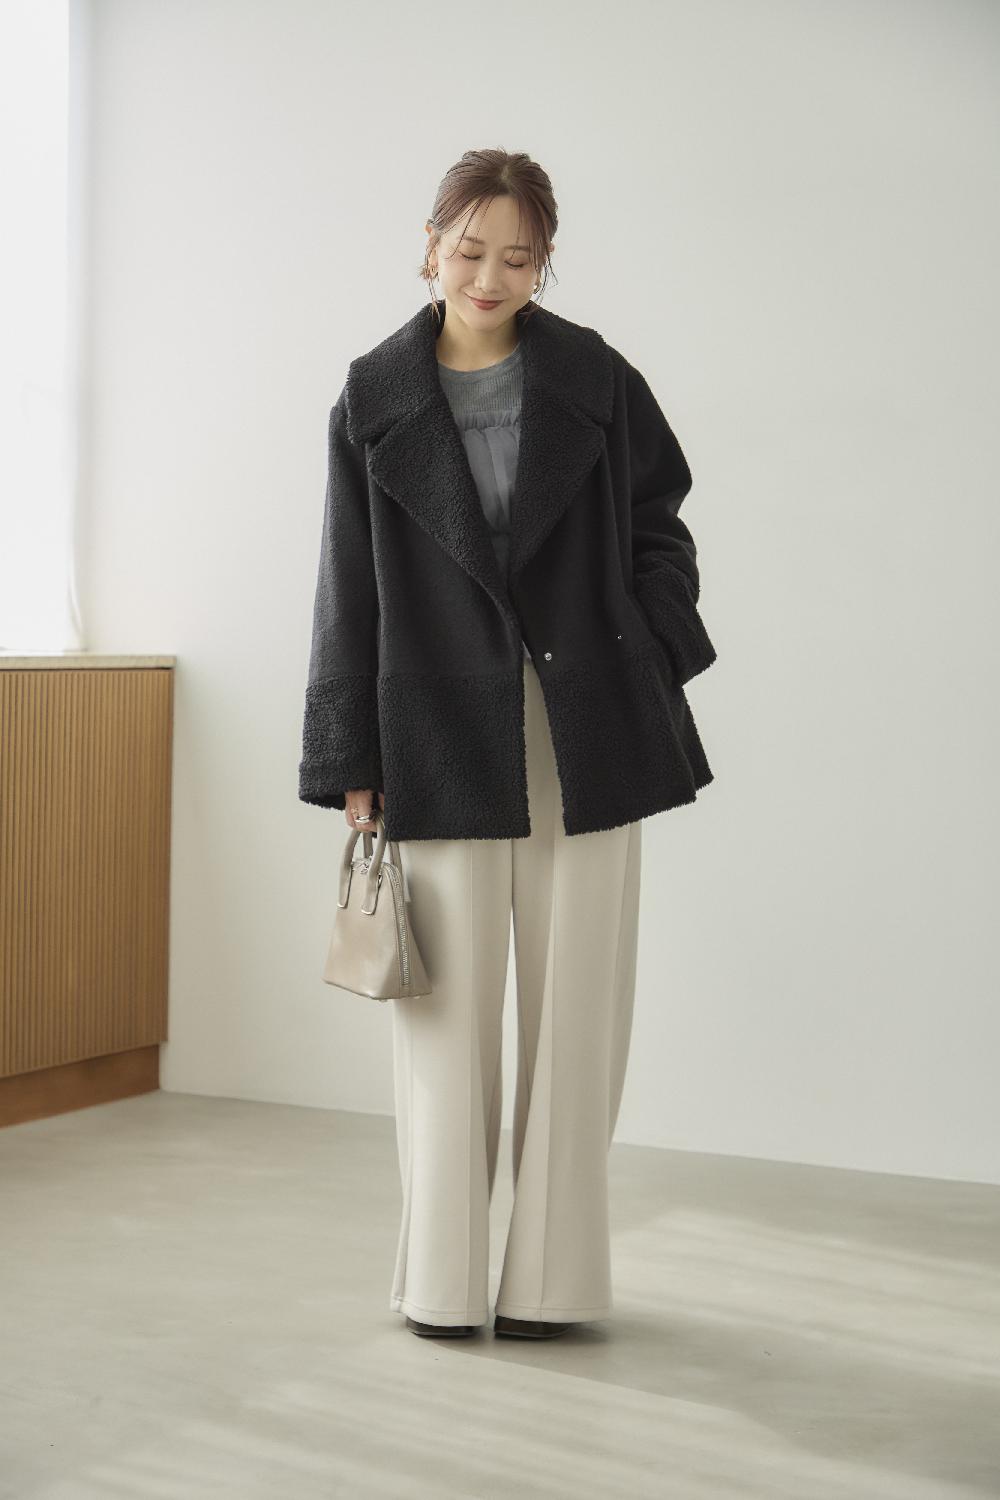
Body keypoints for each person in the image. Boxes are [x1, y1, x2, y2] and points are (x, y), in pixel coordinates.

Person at [298, 148, 718, 1341]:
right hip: (435, 729)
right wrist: (351, 761)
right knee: (443, 1017)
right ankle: (439, 1279)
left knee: (579, 1010)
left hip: (590, 723)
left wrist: (653, 641)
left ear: (545, 265)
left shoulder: (596, 378)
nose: (489, 276)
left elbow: (660, 523)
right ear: (430, 247)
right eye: (470, 249)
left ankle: (552, 1284)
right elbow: (345, 587)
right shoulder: (372, 398)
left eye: (518, 257)